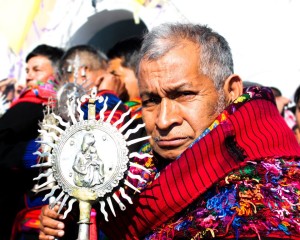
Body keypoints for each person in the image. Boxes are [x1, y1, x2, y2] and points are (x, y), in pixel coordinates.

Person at [39, 23, 300, 239]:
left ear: (230, 91)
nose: (163, 121)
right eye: (151, 101)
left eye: (184, 94)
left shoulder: (275, 192)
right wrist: (72, 222)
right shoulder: (130, 174)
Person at [0, 44, 64, 240]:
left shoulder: (39, 100)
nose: (28, 76)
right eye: (27, 70)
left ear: (58, 74)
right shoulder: (31, 101)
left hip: (32, 207)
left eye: (37, 70)